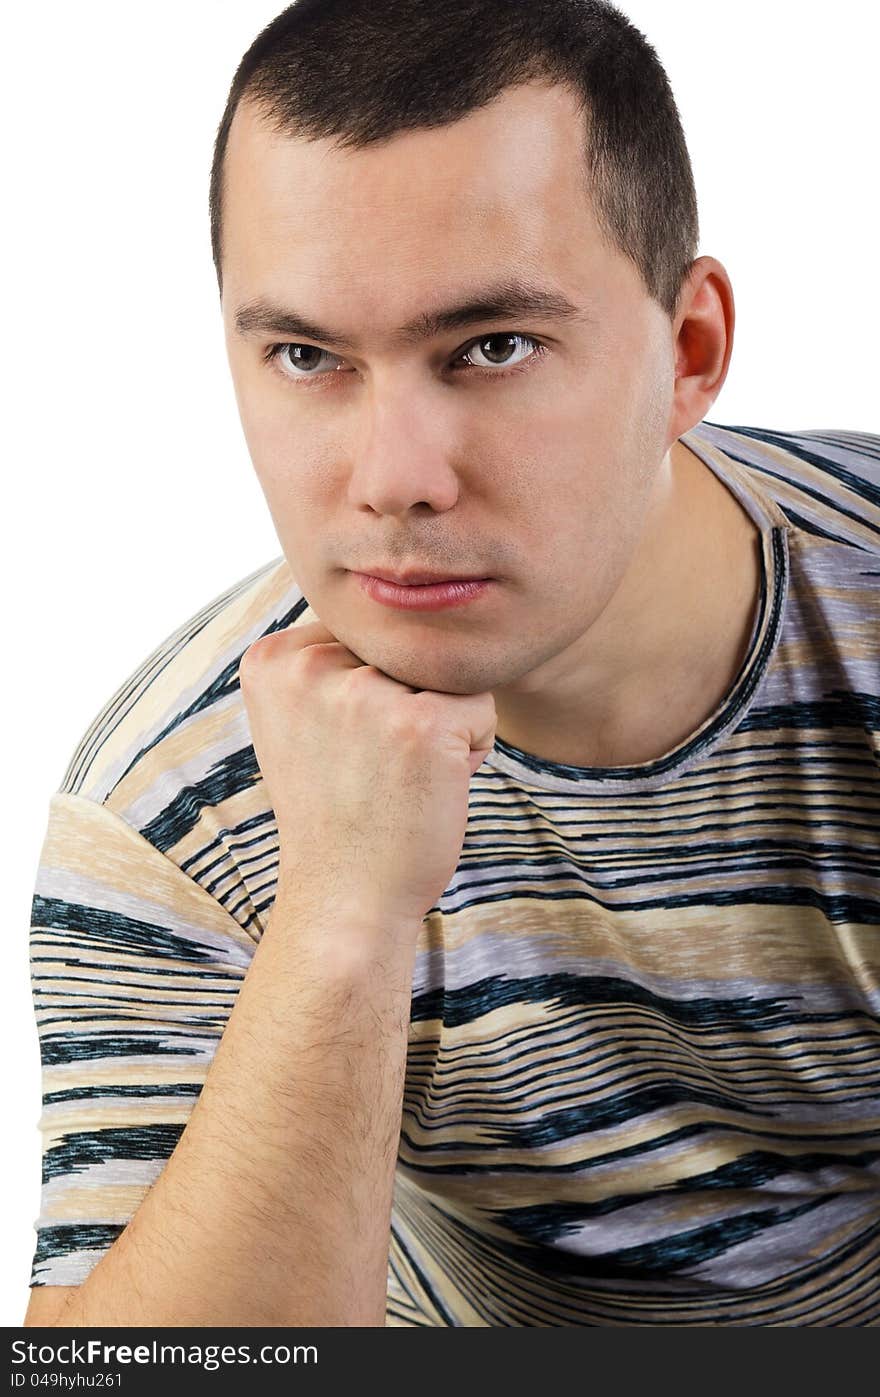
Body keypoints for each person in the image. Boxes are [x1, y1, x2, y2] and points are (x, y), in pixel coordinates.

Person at [23, 0, 879, 1329]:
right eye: (310, 357)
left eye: (492, 348)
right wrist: (342, 915)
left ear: (688, 350)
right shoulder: (177, 811)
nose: (393, 482)